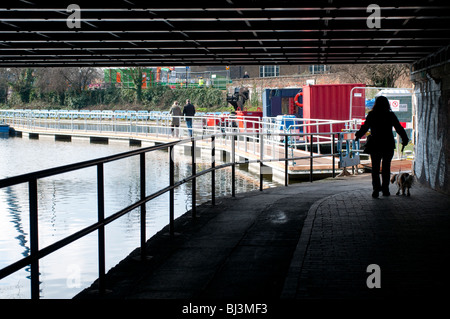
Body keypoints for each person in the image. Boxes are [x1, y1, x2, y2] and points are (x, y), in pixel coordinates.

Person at [355, 95, 409, 198]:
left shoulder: (371, 115)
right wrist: (405, 139)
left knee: (375, 169)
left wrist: (357, 136)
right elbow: (399, 128)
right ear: (387, 104)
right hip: (388, 144)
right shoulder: (390, 115)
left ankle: (376, 189)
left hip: (375, 144)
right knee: (386, 168)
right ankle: (385, 189)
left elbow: (365, 127)